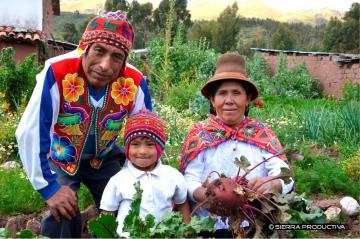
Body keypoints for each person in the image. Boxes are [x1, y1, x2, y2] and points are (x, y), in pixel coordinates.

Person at [15, 11, 152, 238]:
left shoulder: (134, 82)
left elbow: (148, 132)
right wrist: (49, 188)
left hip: (104, 157)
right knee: (63, 210)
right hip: (61, 155)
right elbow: (31, 131)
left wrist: (142, 180)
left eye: (117, 57)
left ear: (125, 60)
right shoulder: (57, 72)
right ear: (85, 47)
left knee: (128, 207)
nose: (105, 65)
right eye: (99, 51)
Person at [179, 53, 294, 236]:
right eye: (222, 93)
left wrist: (273, 184)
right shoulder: (200, 134)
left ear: (247, 99)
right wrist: (208, 196)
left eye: (236, 93)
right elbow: (187, 180)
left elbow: (286, 174)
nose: (229, 100)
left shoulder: (261, 132)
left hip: (254, 225)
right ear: (212, 99)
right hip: (208, 226)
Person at [100, 110, 191, 236]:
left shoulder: (173, 176)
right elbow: (107, 215)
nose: (142, 151)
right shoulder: (118, 180)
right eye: (135, 144)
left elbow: (182, 203)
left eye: (150, 145)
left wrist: (187, 232)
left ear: (159, 149)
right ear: (127, 148)